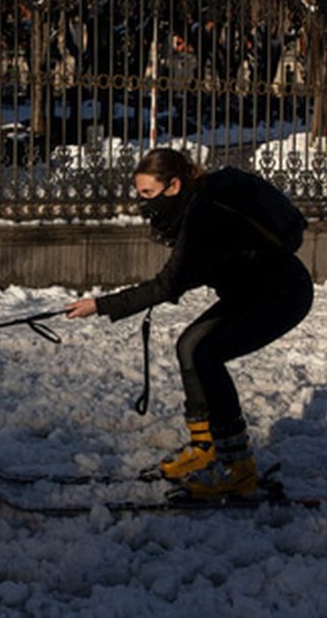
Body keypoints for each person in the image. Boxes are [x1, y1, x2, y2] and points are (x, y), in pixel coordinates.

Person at [65, 148, 313, 500]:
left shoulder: (203, 216)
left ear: (174, 185)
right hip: (252, 291)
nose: (142, 204)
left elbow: (168, 284)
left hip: (282, 295)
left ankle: (237, 467)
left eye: (147, 194)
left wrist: (99, 305)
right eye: (139, 195)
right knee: (190, 344)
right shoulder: (195, 205)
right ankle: (205, 447)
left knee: (207, 353)